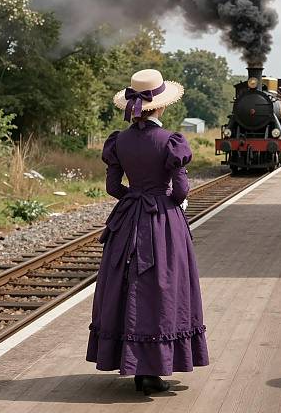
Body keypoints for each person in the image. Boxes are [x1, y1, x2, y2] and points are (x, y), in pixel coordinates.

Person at [86, 69, 209, 394]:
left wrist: (135, 199)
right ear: (161, 106)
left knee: (126, 285)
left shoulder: (118, 141)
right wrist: (164, 201)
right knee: (164, 288)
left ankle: (134, 366)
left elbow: (113, 187)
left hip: (128, 220)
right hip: (163, 223)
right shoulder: (170, 142)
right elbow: (181, 190)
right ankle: (154, 369)